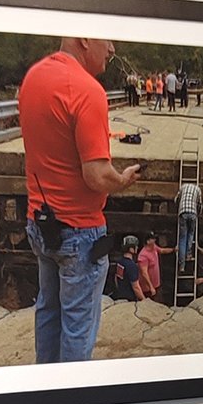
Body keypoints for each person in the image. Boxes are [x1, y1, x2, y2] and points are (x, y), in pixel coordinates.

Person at [20, 37, 140, 362]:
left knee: (48, 310)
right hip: (80, 234)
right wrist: (123, 180)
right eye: (109, 39)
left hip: (40, 223)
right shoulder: (88, 90)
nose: (113, 49)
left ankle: (47, 383)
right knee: (78, 328)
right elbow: (96, 176)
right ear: (85, 38)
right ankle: (72, 389)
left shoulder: (33, 77)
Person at [135, 232, 165, 303]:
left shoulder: (154, 247)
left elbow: (162, 250)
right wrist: (151, 287)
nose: (155, 240)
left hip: (157, 285)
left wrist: (173, 249)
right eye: (153, 239)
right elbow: (144, 273)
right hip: (148, 289)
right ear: (148, 241)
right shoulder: (143, 256)